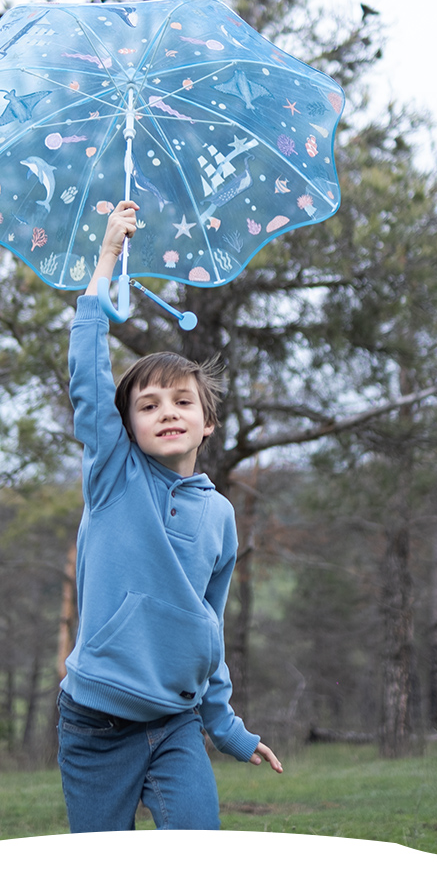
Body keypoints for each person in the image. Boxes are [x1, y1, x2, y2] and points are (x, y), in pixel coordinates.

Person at [57, 200, 282, 832]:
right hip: (95, 724)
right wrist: (107, 256)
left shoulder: (219, 516)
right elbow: (88, 377)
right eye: (148, 404)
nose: (167, 412)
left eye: (183, 401)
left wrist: (226, 728)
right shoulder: (113, 477)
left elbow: (206, 630)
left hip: (175, 723)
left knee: (198, 851)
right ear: (126, 426)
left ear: (208, 423)